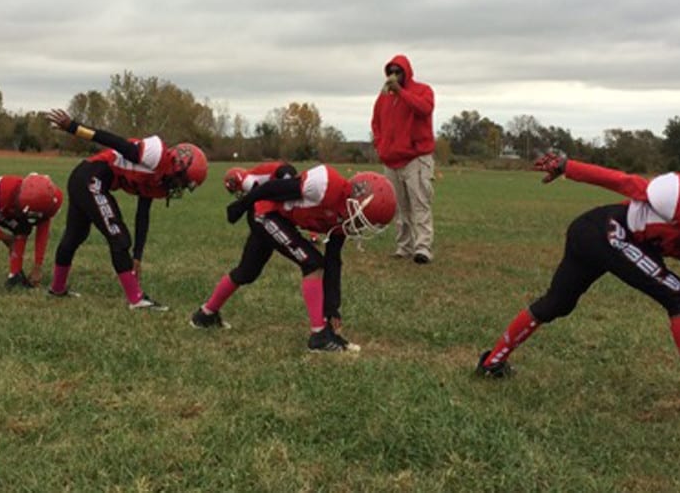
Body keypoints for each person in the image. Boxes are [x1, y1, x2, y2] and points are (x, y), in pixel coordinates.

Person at [474, 152, 680, 422]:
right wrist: (569, 167)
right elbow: (625, 182)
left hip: (600, 235)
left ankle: (492, 362)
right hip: (604, 229)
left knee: (557, 304)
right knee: (677, 296)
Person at [191, 165, 396, 352]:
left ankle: (205, 315)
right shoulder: (325, 184)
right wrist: (242, 205)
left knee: (247, 272)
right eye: (362, 220)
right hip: (265, 213)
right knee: (312, 263)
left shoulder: (344, 218)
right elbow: (272, 188)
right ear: (357, 200)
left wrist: (332, 309)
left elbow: (334, 262)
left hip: (276, 218)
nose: (359, 227)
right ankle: (318, 336)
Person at [44, 108, 208, 310]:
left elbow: (142, 214)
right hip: (91, 176)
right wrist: (75, 128)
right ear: (178, 164)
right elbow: (115, 141)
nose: (180, 186)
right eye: (183, 181)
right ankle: (137, 300)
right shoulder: (156, 154)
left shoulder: (160, 183)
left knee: (75, 236)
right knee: (118, 236)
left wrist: (137, 256)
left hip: (85, 179)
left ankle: (57, 289)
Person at [371, 54, 436, 264]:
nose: (393, 76)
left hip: (416, 158)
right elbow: (376, 123)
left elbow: (424, 108)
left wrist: (401, 92)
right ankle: (404, 246)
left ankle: (423, 247)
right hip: (391, 160)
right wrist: (381, 147)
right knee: (398, 207)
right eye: (391, 72)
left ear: (406, 73)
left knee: (419, 203)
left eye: (398, 72)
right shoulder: (383, 97)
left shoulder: (422, 90)